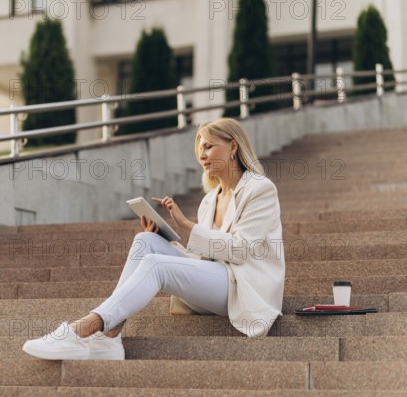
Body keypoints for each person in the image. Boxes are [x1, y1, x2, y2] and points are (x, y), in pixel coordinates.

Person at [22, 118, 285, 360]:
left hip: (242, 289)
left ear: (233, 147)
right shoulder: (209, 200)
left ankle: (81, 330)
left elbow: (240, 251)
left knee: (156, 264)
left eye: (209, 146)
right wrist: (168, 242)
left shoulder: (260, 189)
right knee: (145, 242)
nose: (202, 155)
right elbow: (204, 260)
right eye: (200, 149)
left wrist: (186, 225)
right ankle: (109, 340)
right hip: (216, 283)